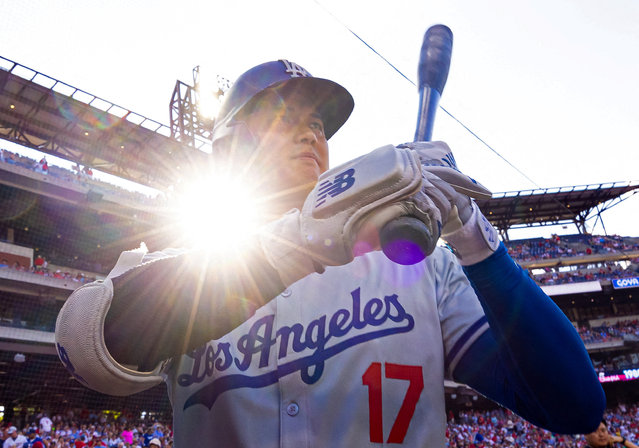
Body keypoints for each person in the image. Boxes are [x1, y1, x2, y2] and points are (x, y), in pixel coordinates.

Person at [56, 59, 605, 446]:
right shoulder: (179, 265)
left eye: (317, 123)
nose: (309, 134)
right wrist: (303, 240)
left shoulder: (416, 264)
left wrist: (472, 236)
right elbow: (84, 344)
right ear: (227, 147)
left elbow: (573, 405)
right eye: (282, 118)